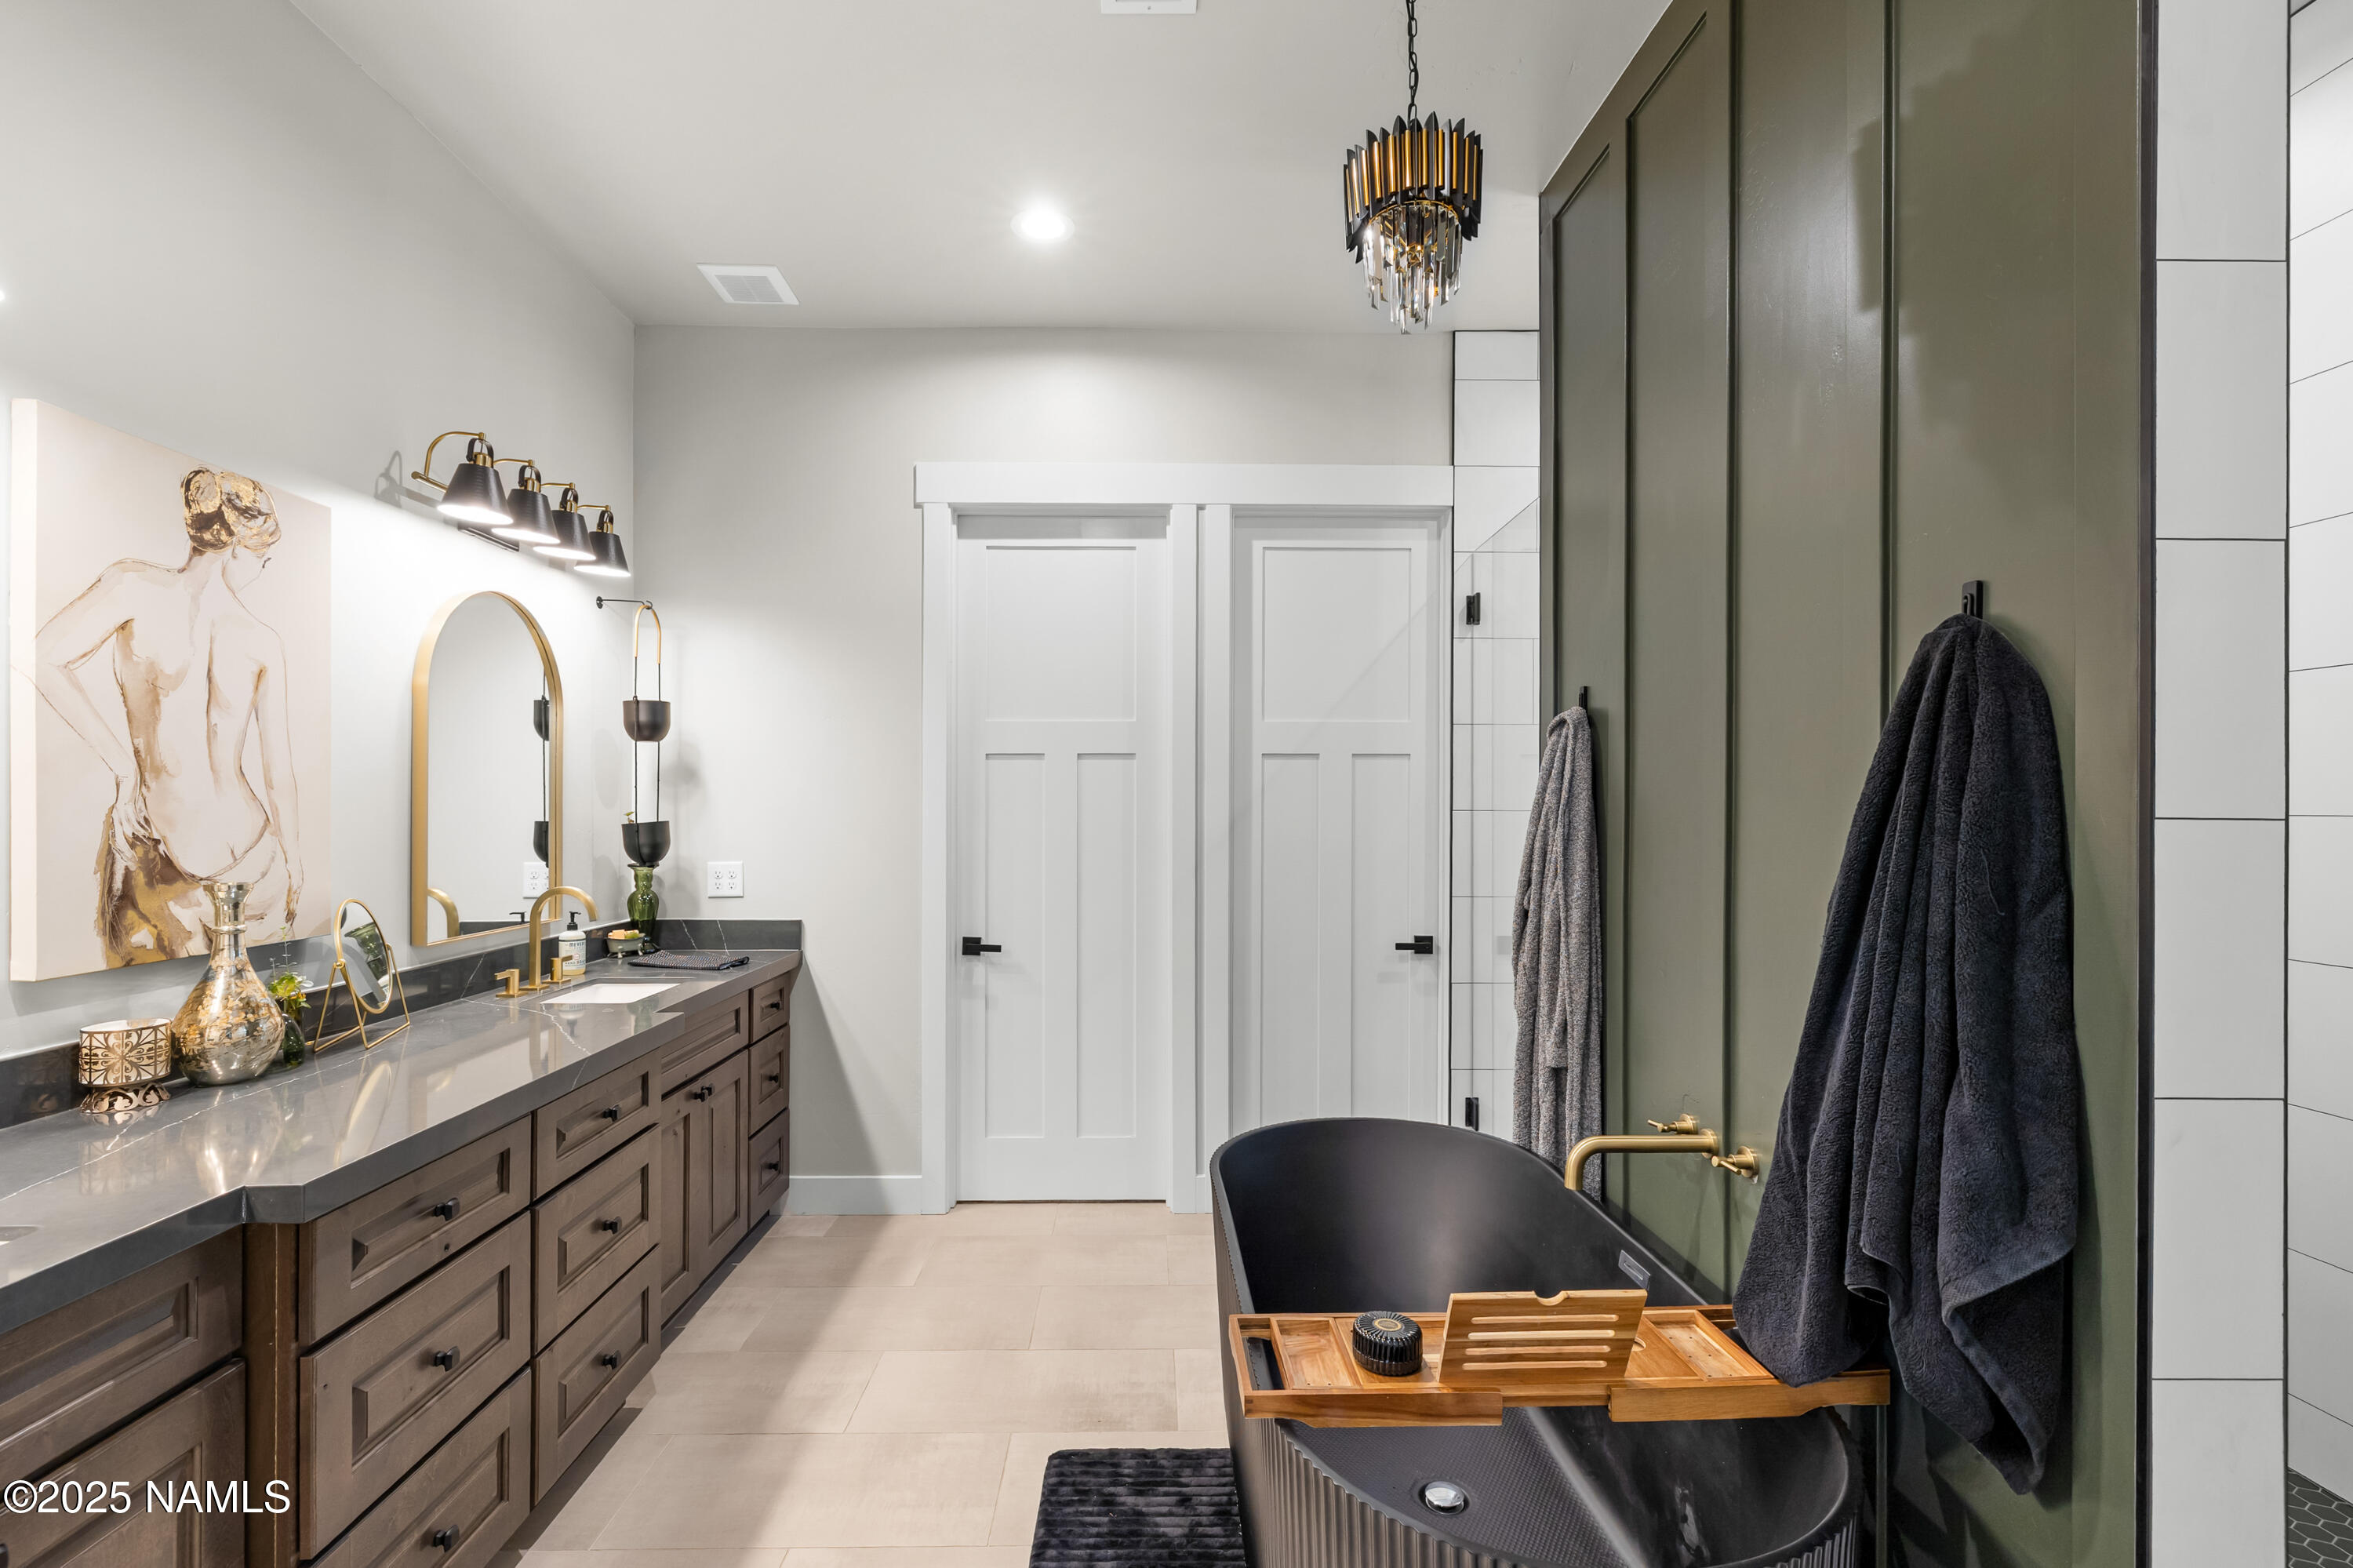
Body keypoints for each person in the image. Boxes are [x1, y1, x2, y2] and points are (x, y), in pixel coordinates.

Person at [34, 467, 303, 964]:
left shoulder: (132, 586)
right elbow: (278, 772)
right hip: (254, 857)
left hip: (168, 852)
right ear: (240, 548)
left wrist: (124, 768)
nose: (264, 568)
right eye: (264, 556)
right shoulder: (263, 641)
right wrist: (295, 861)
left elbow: (40, 658)